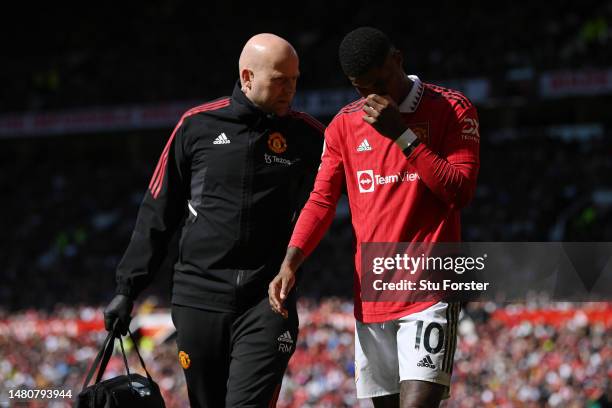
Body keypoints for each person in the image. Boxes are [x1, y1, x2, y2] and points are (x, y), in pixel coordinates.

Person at [104, 33, 324, 407]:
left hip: (268, 300)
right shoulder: (197, 125)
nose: (290, 89)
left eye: (295, 79)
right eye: (279, 79)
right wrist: (128, 289)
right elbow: (159, 209)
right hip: (198, 298)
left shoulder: (308, 136)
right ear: (247, 76)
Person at [269, 27, 480, 407]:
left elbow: (459, 190)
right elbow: (321, 201)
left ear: (397, 59)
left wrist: (402, 135)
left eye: (379, 82)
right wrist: (291, 260)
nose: (372, 96)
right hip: (373, 294)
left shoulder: (452, 107)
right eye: (360, 88)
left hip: (430, 291)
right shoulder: (343, 126)